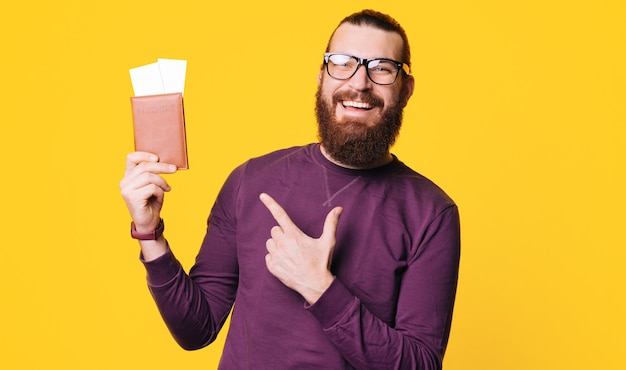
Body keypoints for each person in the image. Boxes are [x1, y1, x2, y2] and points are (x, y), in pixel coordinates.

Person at [120, 9, 460, 370]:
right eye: (342, 63)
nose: (359, 82)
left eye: (381, 68)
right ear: (321, 77)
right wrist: (149, 233)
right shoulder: (251, 179)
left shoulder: (431, 213)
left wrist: (320, 289)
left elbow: (420, 364)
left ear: (405, 89)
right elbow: (196, 330)